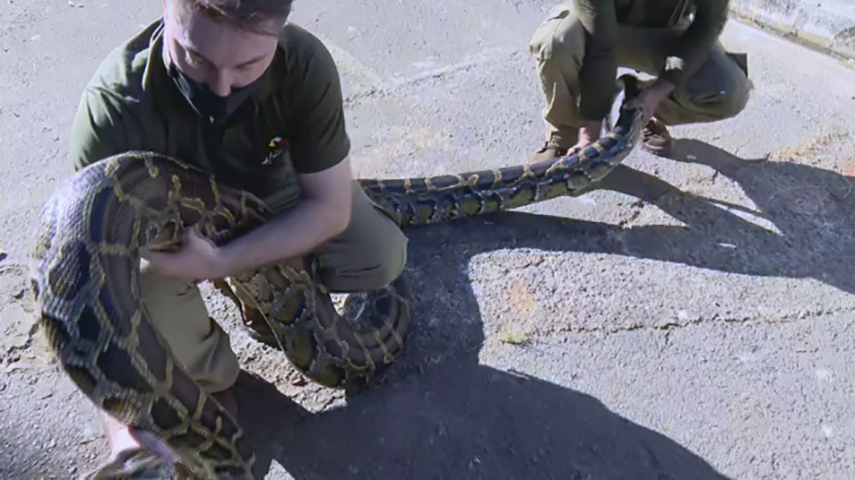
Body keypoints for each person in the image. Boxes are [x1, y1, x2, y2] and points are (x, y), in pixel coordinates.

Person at [69, 0, 408, 476]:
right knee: (142, 287)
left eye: (248, 64)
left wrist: (223, 263)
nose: (221, 86)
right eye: (196, 58)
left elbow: (330, 208)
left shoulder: (303, 64)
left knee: (379, 253)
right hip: (169, 244)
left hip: (271, 204)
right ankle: (209, 381)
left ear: (279, 30)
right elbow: (92, 303)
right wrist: (127, 435)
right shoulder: (113, 106)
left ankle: (256, 291)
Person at [527, 0, 751, 163]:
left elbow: (708, 24)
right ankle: (565, 137)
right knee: (556, 43)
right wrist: (590, 136)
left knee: (728, 92)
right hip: (597, 20)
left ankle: (638, 106)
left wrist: (658, 90)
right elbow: (601, 47)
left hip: (666, 30)